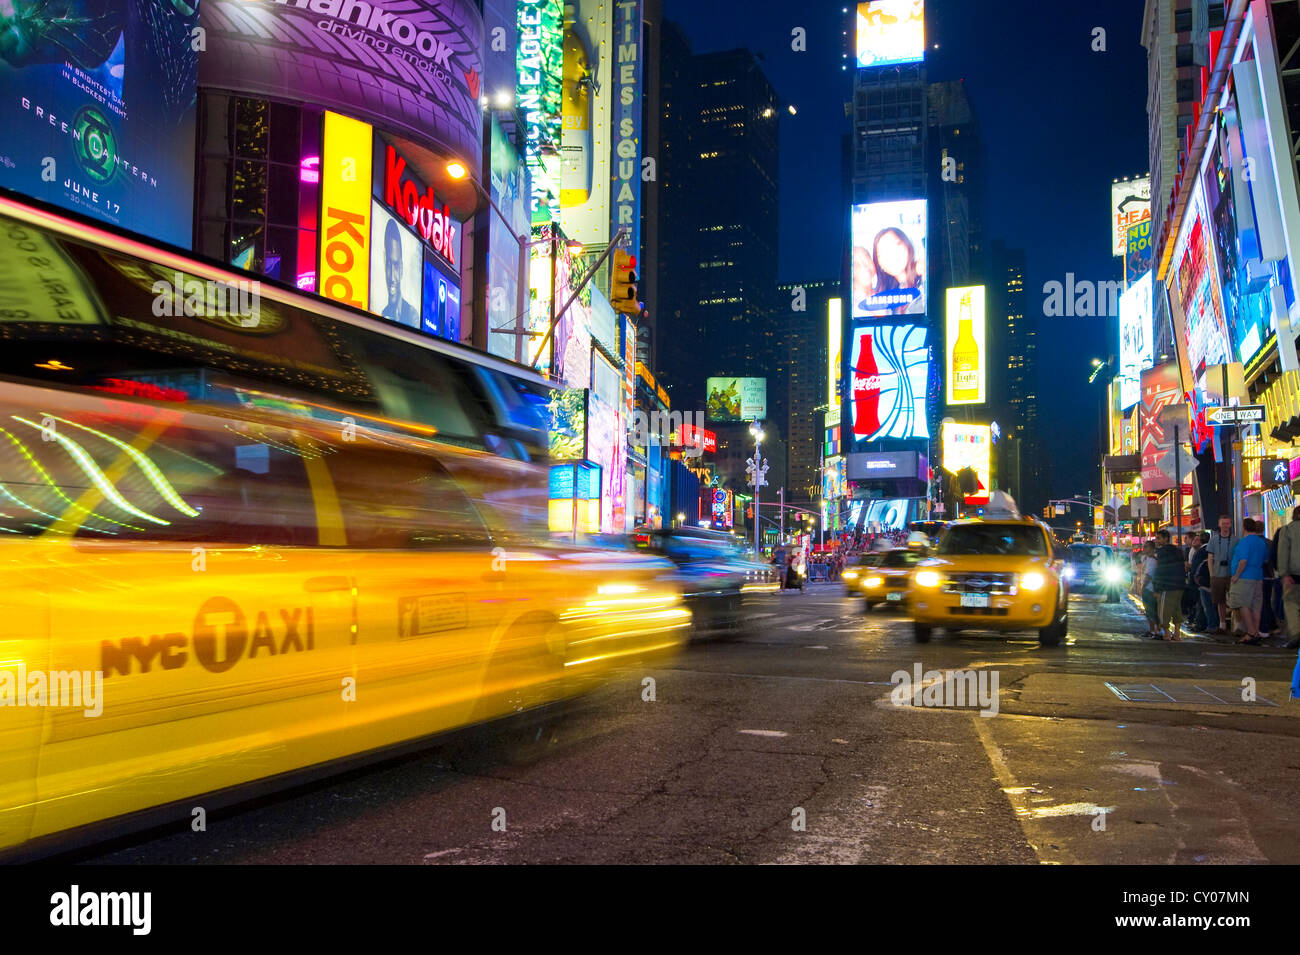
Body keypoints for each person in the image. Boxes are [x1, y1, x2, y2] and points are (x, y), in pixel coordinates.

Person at [1227, 518, 1270, 645]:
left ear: (1244, 528)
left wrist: (1236, 575)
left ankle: (1250, 633)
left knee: (1243, 604)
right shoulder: (1262, 543)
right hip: (1258, 576)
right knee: (1256, 606)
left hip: (1244, 577)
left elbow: (1243, 561)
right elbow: (1266, 560)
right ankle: (1256, 631)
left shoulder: (1244, 542)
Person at [1204, 514, 1239, 635]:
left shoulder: (1235, 540)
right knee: (1220, 600)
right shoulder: (1213, 540)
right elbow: (1210, 558)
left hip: (1232, 575)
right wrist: (1211, 574)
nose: (1225, 526)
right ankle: (1222, 624)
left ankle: (1237, 624)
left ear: (1230, 524)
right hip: (1217, 575)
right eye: (1223, 523)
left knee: (1235, 600)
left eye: (1227, 523)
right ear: (1219, 525)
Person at [1151, 530, 1187, 641]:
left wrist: (1157, 588)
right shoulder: (1178, 551)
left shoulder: (1161, 552)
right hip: (1179, 584)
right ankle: (1177, 634)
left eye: (1158, 538)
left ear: (1165, 538)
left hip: (1167, 585)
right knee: (1177, 609)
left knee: (1163, 610)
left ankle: (1166, 633)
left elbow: (1160, 570)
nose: (1156, 540)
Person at [1274, 505, 1300, 649]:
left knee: (1291, 604)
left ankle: (1296, 633)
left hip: (1294, 575)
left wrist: (1284, 573)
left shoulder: (1288, 530)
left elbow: (1283, 553)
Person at [1191, 531, 1215, 632]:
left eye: (1197, 539)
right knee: (1204, 604)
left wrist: (1198, 579)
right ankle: (1205, 624)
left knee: (1205, 604)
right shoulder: (1205, 550)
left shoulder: (1203, 551)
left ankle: (1205, 624)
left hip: (1203, 582)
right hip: (1205, 581)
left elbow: (1199, 567)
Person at [1139, 540, 1161, 638]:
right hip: (1147, 588)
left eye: (1146, 547)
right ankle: (1152, 630)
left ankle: (1157, 631)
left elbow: (1148, 575)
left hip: (1150, 589)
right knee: (1148, 611)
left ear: (1152, 548)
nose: (1144, 548)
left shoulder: (1152, 560)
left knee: (1152, 611)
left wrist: (1142, 587)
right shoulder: (1146, 559)